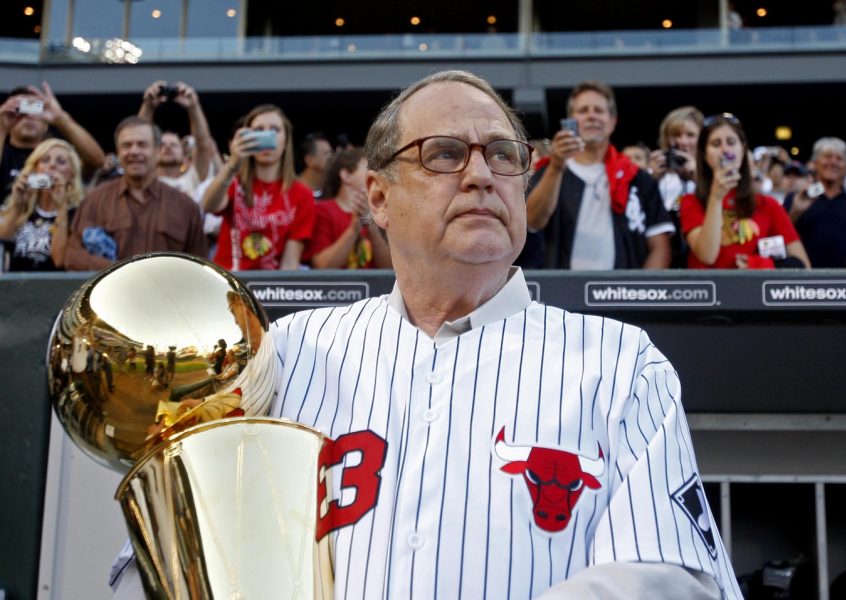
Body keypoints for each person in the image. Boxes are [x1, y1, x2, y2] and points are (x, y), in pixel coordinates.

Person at [110, 70, 741, 599]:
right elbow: (171, 546)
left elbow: (678, 576)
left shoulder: (621, 362)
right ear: (379, 198)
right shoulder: (289, 352)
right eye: (444, 153)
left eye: (503, 155)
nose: (481, 175)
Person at [525, 80, 673, 269]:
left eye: (599, 110)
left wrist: (641, 292)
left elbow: (660, 246)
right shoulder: (550, 169)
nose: (591, 116)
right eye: (583, 110)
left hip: (623, 294)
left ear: (612, 122)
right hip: (559, 291)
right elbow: (532, 222)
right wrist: (556, 166)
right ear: (570, 120)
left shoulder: (636, 177)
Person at [64, 116, 207, 271]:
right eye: (126, 145)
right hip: (112, 293)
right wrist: (118, 271)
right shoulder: (95, 200)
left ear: (157, 151)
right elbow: (72, 255)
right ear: (118, 152)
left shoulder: (184, 206)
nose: (134, 151)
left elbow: (199, 265)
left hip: (166, 293)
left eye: (142, 144)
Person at [680, 113, 810, 269]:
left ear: (742, 150)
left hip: (753, 291)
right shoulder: (691, 202)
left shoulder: (767, 205)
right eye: (715, 144)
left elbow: (803, 266)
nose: (725, 150)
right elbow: (707, 256)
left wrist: (760, 265)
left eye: (731, 142)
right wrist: (716, 197)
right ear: (705, 155)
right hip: (709, 291)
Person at [202, 104, 315, 271]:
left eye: (274, 130)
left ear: (285, 142)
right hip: (229, 282)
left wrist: (280, 293)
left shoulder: (302, 194)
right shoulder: (234, 181)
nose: (265, 135)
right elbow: (209, 205)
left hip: (270, 288)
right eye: (258, 130)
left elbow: (290, 264)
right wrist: (232, 164)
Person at [0, 83, 105, 196]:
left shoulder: (58, 158)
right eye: (21, 109)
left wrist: (60, 118)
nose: (29, 115)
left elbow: (97, 161)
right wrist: (1, 127)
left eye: (36, 108)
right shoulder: (4, 152)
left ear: (46, 126)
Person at [0, 139, 83, 271]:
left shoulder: (79, 213)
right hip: (15, 287)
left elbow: (59, 260)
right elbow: (2, 244)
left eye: (60, 162)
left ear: (72, 174)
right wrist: (17, 205)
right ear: (35, 168)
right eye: (45, 160)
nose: (51, 165)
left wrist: (61, 207)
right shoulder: (23, 208)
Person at [304, 147, 392, 269]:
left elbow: (388, 269)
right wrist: (353, 230)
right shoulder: (322, 210)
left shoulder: (380, 214)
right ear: (346, 175)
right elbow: (321, 267)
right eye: (369, 168)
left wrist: (371, 223)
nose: (375, 174)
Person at [137, 80, 215, 196]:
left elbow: (203, 146)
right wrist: (148, 106)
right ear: (152, 152)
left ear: (184, 155)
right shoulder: (142, 179)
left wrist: (193, 106)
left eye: (173, 145)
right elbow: (137, 139)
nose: (167, 147)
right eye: (162, 145)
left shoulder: (193, 178)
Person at [649, 106, 704, 267]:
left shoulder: (713, 173)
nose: (682, 142)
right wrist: (651, 180)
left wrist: (696, 177)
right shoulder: (657, 173)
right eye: (676, 135)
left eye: (690, 135)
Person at [785, 137, 846, 268]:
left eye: (839, 158)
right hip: (803, 283)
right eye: (827, 157)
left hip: (845, 283)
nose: (833, 162)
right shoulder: (796, 199)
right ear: (815, 163)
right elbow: (778, 240)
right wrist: (795, 213)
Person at [296, 131, 333, 196]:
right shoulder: (293, 191)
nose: (331, 158)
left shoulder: (330, 189)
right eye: (327, 154)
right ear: (309, 160)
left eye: (331, 154)